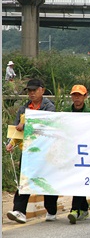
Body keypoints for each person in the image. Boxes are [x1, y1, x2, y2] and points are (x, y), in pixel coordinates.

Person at [6, 78, 59, 224]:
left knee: (46, 180)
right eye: (29, 91)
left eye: (34, 90)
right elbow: (18, 130)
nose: (31, 93)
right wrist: (12, 143)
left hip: (46, 151)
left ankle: (51, 209)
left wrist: (26, 125)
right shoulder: (23, 109)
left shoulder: (49, 107)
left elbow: (47, 126)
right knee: (25, 180)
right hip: (29, 151)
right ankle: (19, 211)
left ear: (42, 90)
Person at [64, 85, 90, 224]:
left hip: (84, 153)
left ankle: (74, 210)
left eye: (79, 95)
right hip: (69, 152)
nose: (77, 98)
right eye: (74, 95)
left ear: (85, 96)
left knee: (79, 179)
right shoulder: (64, 113)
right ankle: (84, 208)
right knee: (77, 180)